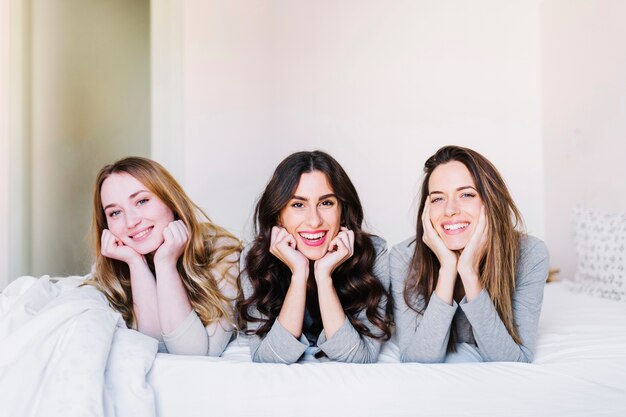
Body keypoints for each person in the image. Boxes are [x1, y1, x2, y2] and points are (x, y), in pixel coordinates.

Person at [390, 145, 549, 363]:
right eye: (437, 198)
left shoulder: (530, 253)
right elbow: (417, 359)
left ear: (490, 201)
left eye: (466, 194)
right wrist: (447, 268)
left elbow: (513, 360)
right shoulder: (403, 257)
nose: (450, 210)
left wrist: (469, 272)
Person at [237, 150, 392, 363]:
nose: (314, 221)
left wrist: (324, 276)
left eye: (326, 203)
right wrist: (299, 274)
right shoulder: (255, 258)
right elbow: (268, 359)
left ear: (342, 210)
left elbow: (359, 357)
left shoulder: (373, 253)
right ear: (278, 215)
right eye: (298, 205)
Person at [87, 156, 241, 356]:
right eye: (115, 213)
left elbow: (194, 355)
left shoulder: (222, 250)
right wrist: (136, 263)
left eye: (141, 201)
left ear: (170, 201)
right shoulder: (112, 266)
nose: (131, 221)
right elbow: (155, 346)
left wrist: (165, 263)